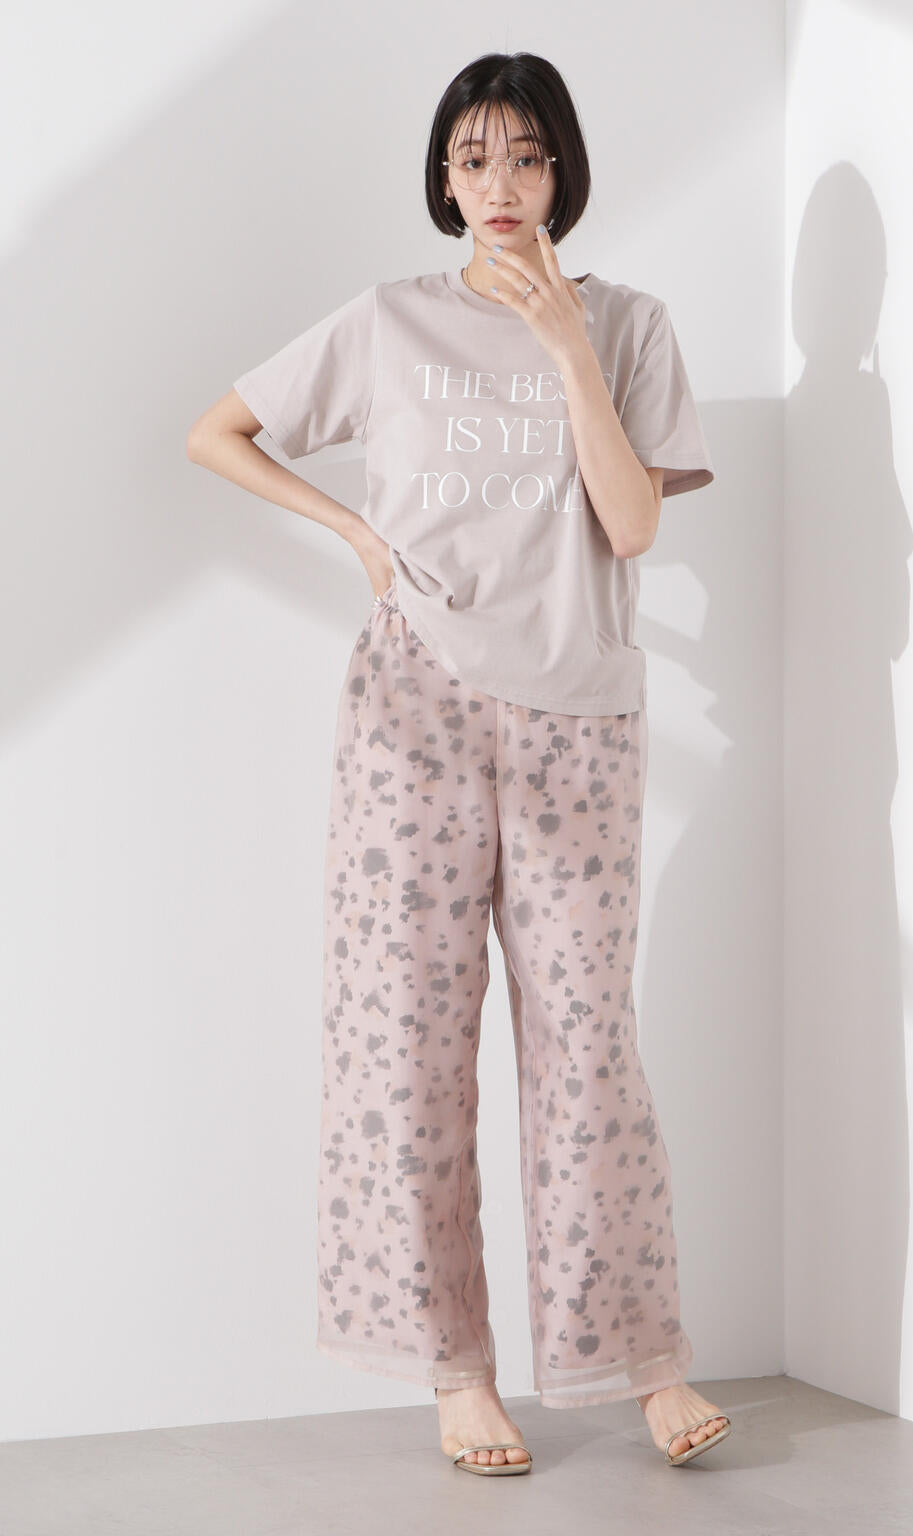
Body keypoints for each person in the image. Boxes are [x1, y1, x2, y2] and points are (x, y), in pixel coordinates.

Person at [186, 52, 729, 1475]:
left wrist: (564, 342)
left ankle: (644, 1361)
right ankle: (455, 1373)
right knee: (407, 1045)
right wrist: (358, 537)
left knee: (588, 1048)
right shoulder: (389, 322)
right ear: (443, 174)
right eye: (477, 158)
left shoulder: (631, 325)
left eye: (529, 157)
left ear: (564, 174)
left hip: (580, 721)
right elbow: (216, 431)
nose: (502, 185)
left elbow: (633, 527)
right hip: (412, 715)